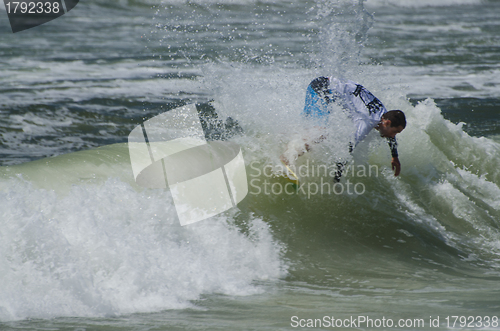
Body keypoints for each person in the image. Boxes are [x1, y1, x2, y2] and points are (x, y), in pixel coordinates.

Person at [281, 76, 406, 182]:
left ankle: (281, 141)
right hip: (322, 88)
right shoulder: (366, 122)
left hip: (324, 85)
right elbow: (347, 152)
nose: (393, 136)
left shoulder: (384, 113)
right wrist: (336, 179)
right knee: (319, 134)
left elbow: (391, 134)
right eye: (395, 132)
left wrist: (394, 156)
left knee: (307, 127)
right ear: (387, 122)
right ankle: (286, 159)